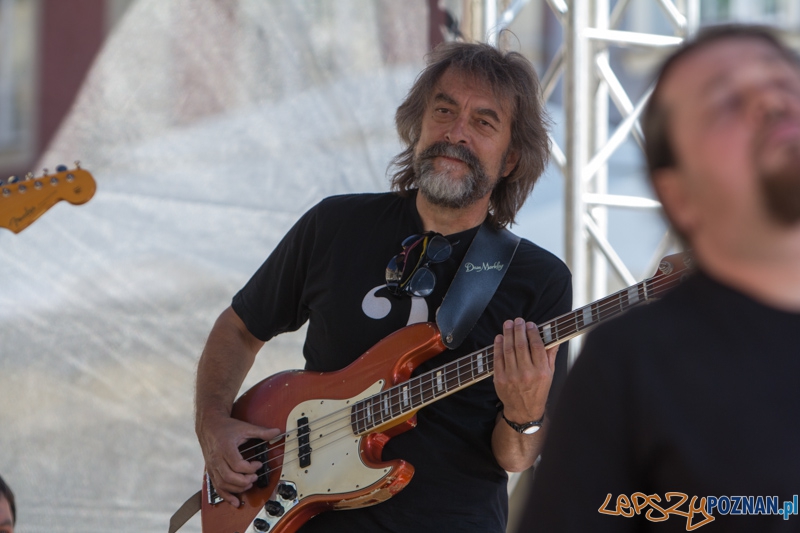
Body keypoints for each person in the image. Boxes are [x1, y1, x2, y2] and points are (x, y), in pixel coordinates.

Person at [194, 41, 572, 532]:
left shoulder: (538, 280)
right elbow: (239, 328)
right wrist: (212, 422)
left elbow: (515, 457)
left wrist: (524, 416)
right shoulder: (335, 225)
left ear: (511, 160)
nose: (456, 133)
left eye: (484, 122)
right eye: (444, 110)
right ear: (418, 125)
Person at [519, 25, 800, 532]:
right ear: (678, 195)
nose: (772, 102)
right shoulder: (631, 365)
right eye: (726, 101)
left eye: (786, 82)